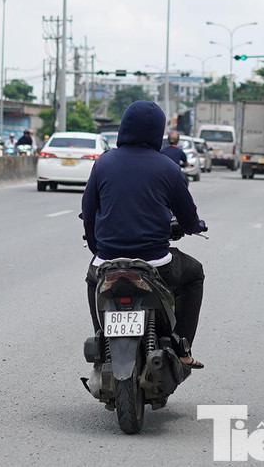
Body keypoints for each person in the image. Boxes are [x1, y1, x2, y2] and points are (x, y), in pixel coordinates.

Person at [81, 101, 206, 368]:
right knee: (194, 273)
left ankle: (101, 338)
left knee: (93, 279)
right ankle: (182, 346)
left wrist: (97, 249)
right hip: (157, 264)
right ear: (158, 132)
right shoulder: (168, 167)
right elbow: (188, 216)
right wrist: (195, 227)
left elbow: (88, 211)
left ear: (124, 127)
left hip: (107, 261)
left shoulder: (103, 163)